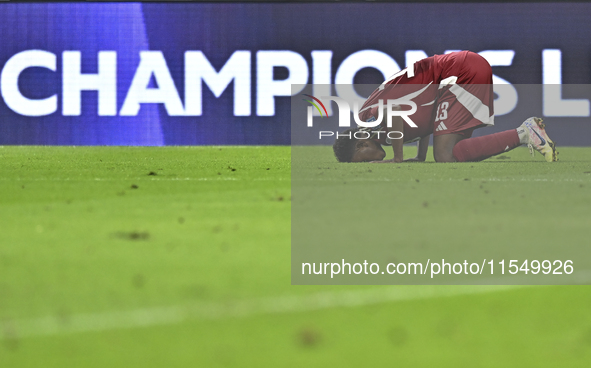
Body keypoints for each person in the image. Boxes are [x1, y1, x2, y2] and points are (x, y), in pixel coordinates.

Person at [332, 50, 558, 163]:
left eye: (365, 159)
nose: (373, 161)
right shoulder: (380, 131)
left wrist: (398, 158)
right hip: (458, 71)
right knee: (450, 150)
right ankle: (525, 133)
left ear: (361, 144)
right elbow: (423, 119)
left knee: (445, 154)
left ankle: (525, 133)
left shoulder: (367, 119)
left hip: (457, 73)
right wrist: (420, 157)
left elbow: (394, 109)